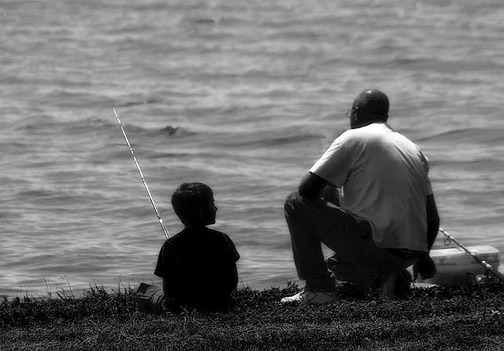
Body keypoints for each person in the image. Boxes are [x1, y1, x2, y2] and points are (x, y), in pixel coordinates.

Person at [281, 89, 440, 304]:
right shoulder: (412, 148)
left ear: (355, 113)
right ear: (385, 116)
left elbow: (306, 191)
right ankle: (388, 277)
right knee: (339, 265)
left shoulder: (352, 138)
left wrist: (326, 165)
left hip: (378, 249)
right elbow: (433, 218)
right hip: (409, 256)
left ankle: (318, 289)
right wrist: (423, 257)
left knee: (294, 203)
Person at [136, 182, 240, 313]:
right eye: (212, 204)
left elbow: (169, 291)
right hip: (221, 306)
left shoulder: (170, 246)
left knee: (143, 290)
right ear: (202, 211)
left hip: (182, 310)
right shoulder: (223, 240)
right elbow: (232, 282)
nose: (216, 208)